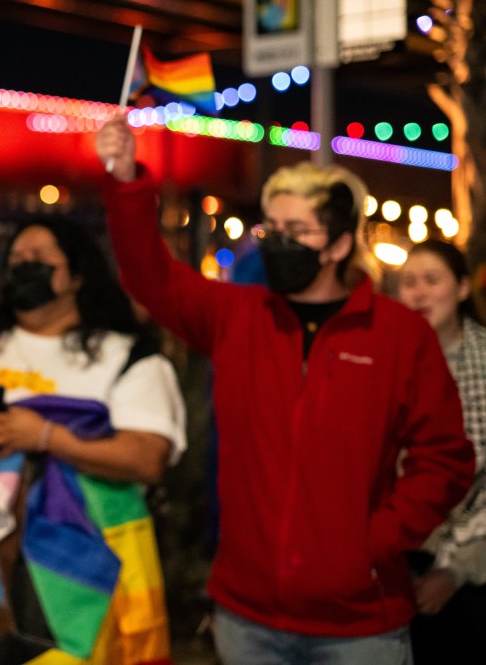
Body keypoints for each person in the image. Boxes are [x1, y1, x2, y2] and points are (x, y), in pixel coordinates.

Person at [95, 117, 474, 664]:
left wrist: (377, 542)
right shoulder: (237, 316)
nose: (278, 241)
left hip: (360, 623)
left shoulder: (399, 334)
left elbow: (447, 458)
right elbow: (151, 278)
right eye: (271, 228)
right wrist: (127, 180)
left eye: (297, 231)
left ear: (340, 243)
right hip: (247, 617)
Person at [0, 215, 186, 664]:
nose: (24, 266)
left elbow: (147, 458)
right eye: (17, 259)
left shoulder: (125, 356)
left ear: (77, 275)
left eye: (40, 259)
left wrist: (44, 436)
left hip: (87, 559)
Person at [398, 239, 486, 664]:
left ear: (463, 288)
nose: (419, 293)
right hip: (395, 557)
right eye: (408, 282)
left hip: (473, 569)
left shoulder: (482, 361)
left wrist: (456, 567)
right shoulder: (388, 359)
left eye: (432, 280)